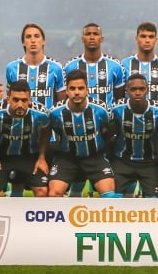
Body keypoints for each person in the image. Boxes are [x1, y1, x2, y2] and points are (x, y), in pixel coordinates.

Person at [46, 69, 119, 198]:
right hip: (67, 158)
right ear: (67, 91)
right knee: (54, 194)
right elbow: (48, 132)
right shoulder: (55, 113)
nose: (77, 92)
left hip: (95, 157)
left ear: (87, 90)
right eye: (72, 88)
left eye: (81, 88)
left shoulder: (101, 110)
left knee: (110, 196)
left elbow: (109, 131)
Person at [0, 80, 51, 197]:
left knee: (43, 192)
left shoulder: (41, 113)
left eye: (24, 100)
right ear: (8, 99)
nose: (20, 105)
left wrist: (42, 157)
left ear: (30, 100)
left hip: (29, 156)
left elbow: (46, 132)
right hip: (1, 158)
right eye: (16, 100)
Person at [108, 73, 158, 198]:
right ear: (127, 91)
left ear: (147, 90)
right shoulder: (117, 109)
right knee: (112, 197)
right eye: (133, 89)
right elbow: (109, 135)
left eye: (141, 89)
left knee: (156, 199)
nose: (138, 93)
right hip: (122, 161)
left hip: (150, 163)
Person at [63, 23, 126, 108]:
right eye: (88, 34)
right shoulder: (70, 66)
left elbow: (120, 100)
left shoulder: (115, 66)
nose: (92, 37)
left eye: (96, 34)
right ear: (82, 39)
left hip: (107, 119)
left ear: (101, 39)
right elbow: (67, 98)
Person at [5, 23, 66, 108]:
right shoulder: (11, 68)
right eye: (28, 37)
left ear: (43, 41)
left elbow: (62, 104)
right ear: (23, 42)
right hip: (21, 120)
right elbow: (10, 99)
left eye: (37, 36)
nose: (33, 40)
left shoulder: (57, 67)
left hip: (47, 120)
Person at [120, 22, 158, 105]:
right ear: (136, 39)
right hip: (131, 117)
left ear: (155, 40)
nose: (147, 40)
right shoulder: (124, 64)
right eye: (143, 36)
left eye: (151, 37)